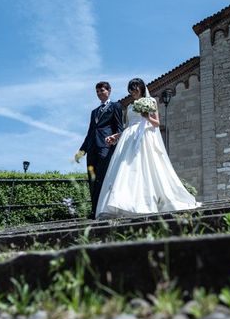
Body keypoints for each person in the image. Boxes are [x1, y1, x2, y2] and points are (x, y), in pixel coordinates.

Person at [95, 78, 200, 219]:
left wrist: (146, 117)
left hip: (145, 136)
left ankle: (149, 202)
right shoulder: (131, 106)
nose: (133, 92)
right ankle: (125, 202)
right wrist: (116, 136)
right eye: (131, 90)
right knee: (126, 169)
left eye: (135, 89)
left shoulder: (151, 102)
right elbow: (128, 126)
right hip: (129, 138)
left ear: (142, 88)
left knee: (145, 167)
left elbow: (156, 123)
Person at [75, 81, 124, 219]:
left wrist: (115, 139)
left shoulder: (116, 106)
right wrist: (81, 152)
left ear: (109, 91)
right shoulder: (94, 112)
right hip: (92, 148)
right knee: (92, 180)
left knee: (103, 178)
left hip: (105, 147)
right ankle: (94, 210)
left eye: (101, 90)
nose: (99, 93)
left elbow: (120, 128)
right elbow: (90, 132)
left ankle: (104, 208)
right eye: (97, 92)